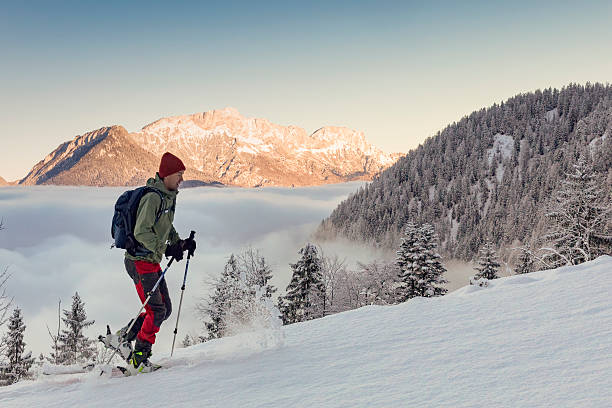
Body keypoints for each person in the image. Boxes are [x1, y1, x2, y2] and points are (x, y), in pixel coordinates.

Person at [118, 152, 196, 373]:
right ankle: (139, 360)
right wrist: (166, 248)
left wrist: (180, 244)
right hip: (139, 262)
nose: (181, 179)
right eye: (179, 174)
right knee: (157, 311)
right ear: (167, 175)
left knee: (165, 309)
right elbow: (141, 231)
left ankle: (123, 337)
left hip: (150, 261)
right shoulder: (153, 198)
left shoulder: (168, 197)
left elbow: (165, 228)